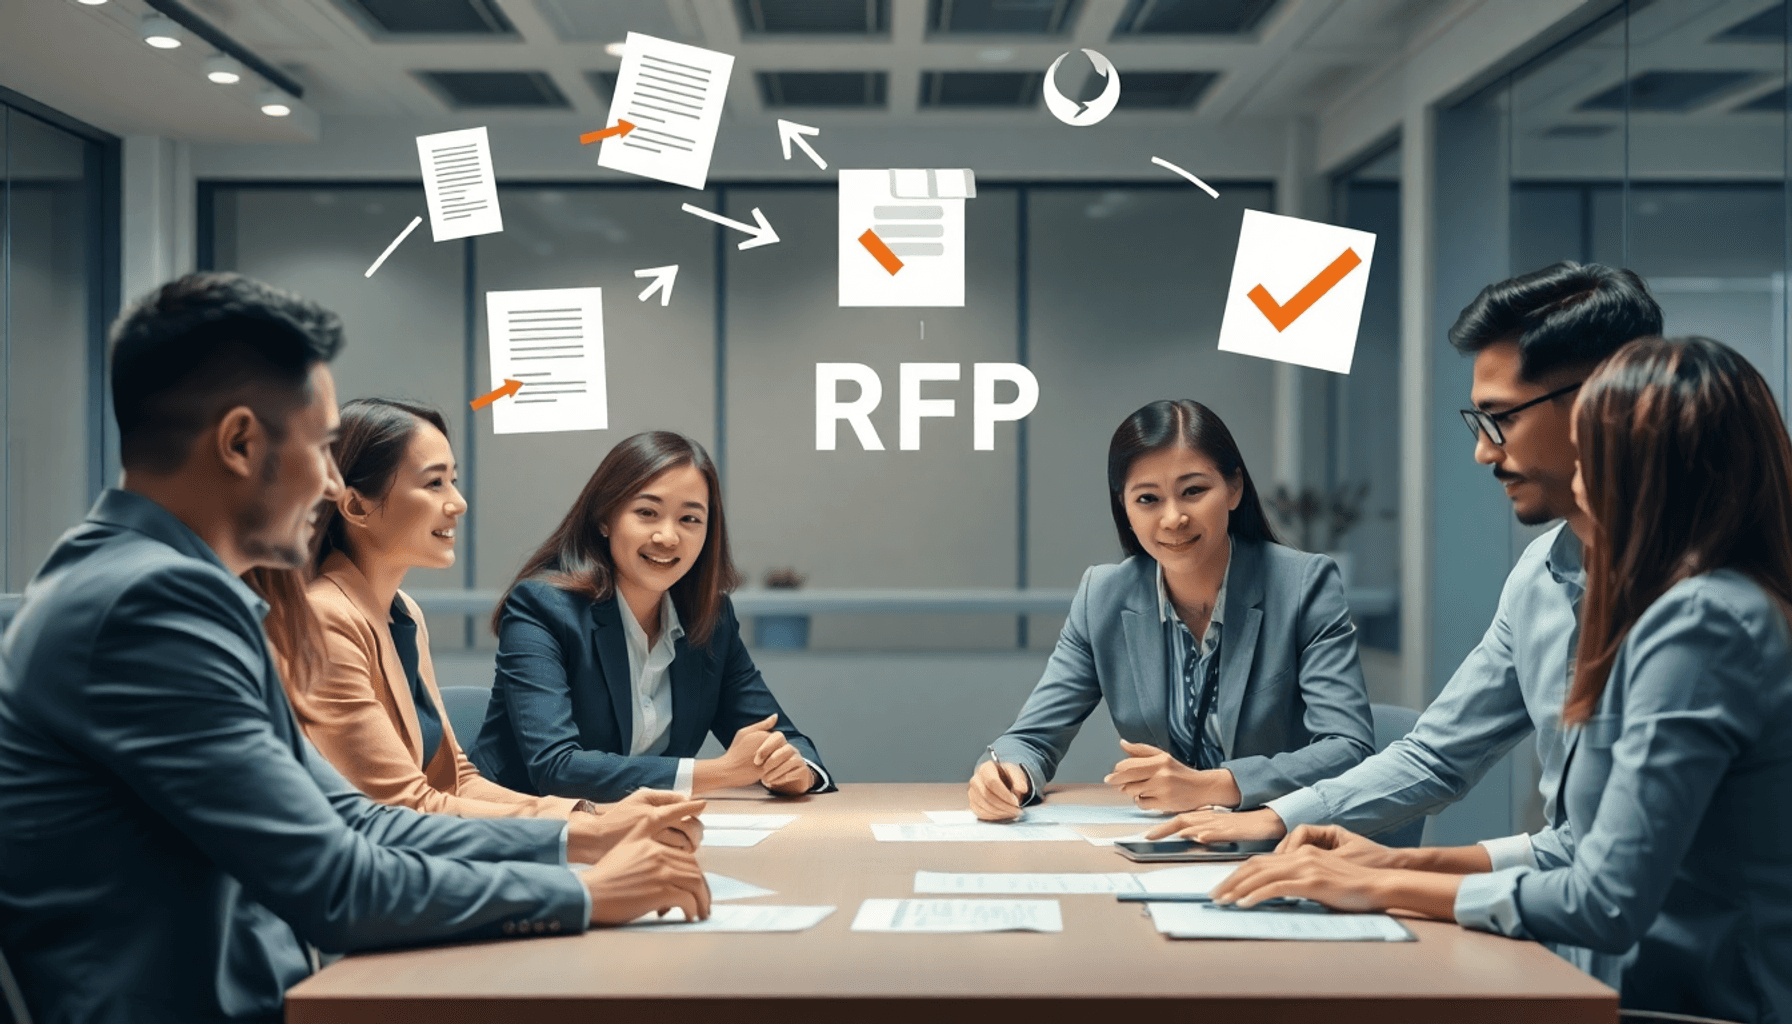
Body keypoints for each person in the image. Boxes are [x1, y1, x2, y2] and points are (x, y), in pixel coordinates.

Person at [0, 274, 710, 1024]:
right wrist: (584, 892)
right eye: (319, 446)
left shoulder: (164, 587)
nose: (332, 484)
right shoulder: (148, 608)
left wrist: (582, 841)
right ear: (240, 441)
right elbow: (336, 884)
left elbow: (361, 822)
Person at [1209, 336, 1792, 1023]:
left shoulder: (1702, 622)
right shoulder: (1695, 601)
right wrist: (1390, 868)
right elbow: (1580, 844)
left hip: (1696, 1008)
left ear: (1648, 472)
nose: (1578, 480)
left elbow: (1603, 899)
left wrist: (1378, 888)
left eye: (1593, 456)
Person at [1148, 263, 1664, 885]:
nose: (1484, 451)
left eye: (1502, 418)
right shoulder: (1541, 576)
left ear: (1601, 402)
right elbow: (1441, 754)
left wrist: (1395, 876)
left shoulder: (1699, 604)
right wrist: (1279, 818)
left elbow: (1612, 867)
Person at [247, 398, 700, 855]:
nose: (458, 503)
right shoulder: (326, 619)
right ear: (355, 507)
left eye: (454, 481)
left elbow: (456, 779)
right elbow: (404, 806)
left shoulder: (402, 612)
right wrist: (586, 834)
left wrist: (588, 814)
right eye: (434, 483)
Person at [967, 399, 1375, 821]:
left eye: (1194, 491)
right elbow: (1031, 739)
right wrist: (1005, 773)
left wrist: (1214, 786)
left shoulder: (1304, 585)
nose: (1173, 517)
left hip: (1285, 844)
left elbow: (1348, 748)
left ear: (1234, 488)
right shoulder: (1103, 596)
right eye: (1147, 498)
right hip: (1169, 844)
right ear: (1124, 508)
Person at [473, 431, 834, 803]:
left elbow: (783, 738)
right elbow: (557, 768)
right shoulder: (544, 607)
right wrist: (721, 772)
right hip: (519, 834)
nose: (667, 536)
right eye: (647, 513)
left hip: (635, 832)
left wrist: (795, 771)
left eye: (690, 519)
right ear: (605, 519)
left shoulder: (709, 617)